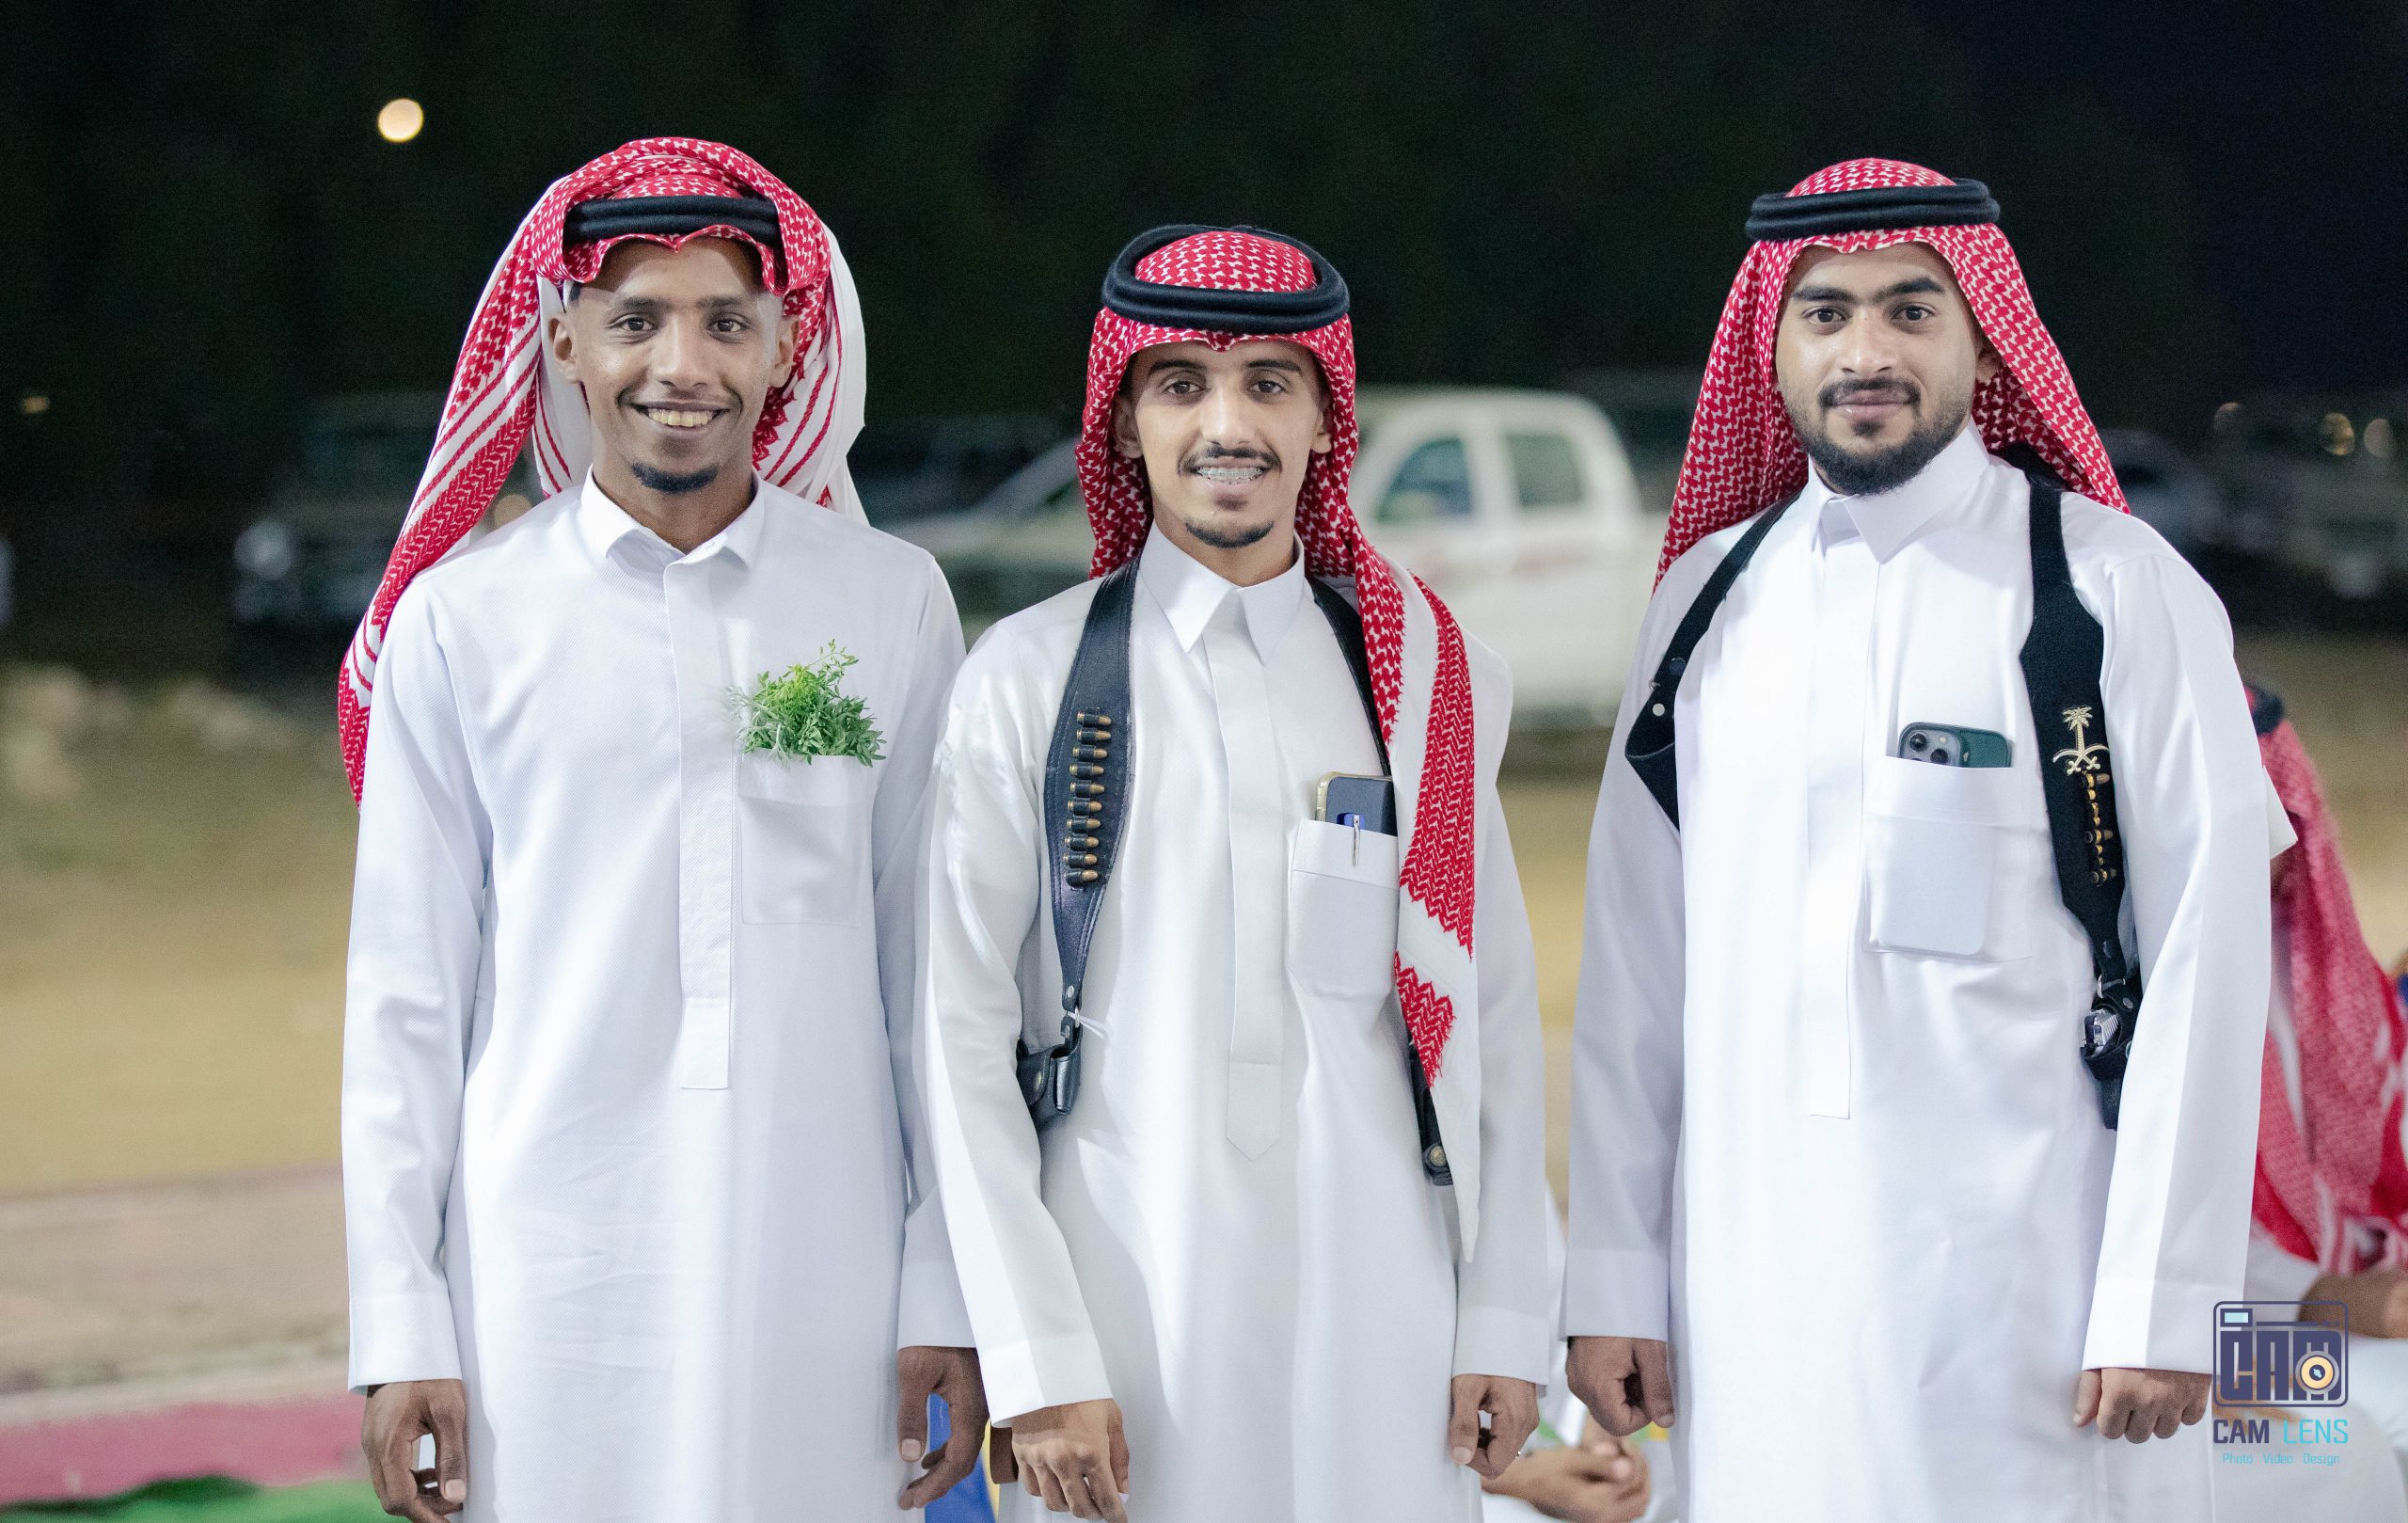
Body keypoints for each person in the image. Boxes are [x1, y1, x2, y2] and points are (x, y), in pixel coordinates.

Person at [1562, 159, 2288, 1521]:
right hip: (1750, 1295)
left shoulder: (2113, 590)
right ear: (1773, 348)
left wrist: (2164, 1289)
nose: (1866, 352)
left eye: (1911, 310)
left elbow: (2205, 955)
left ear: (1985, 343)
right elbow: (1636, 968)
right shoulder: (1706, 607)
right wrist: (1612, 1275)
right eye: (1825, 313)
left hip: (2035, 1302)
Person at [340, 138, 983, 1521]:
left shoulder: (889, 601)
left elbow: (934, 977)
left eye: (725, 322)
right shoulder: (463, 620)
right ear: (564, 343)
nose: (680, 365)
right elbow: (404, 998)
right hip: (541, 1282)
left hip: (826, 1267)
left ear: (786, 347)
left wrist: (942, 1281)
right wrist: (402, 1320)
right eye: (635, 319)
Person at [920, 226, 1553, 1521]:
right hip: (1120, 1310)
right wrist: (1038, 1356)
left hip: (1384, 1317)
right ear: (1126, 420)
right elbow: (958, 1035)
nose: (1228, 424)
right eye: (1182, 384)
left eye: (1270, 383)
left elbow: (1488, 1019)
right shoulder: (1028, 677)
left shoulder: (1426, 680)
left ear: (1326, 419)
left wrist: (1501, 1311)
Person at [2228, 682, 2408, 1515]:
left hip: (2340, 1304)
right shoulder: (2130, 988)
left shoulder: (2313, 958)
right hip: (2210, 1343)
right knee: (2382, 1421)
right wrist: (2343, 1300)